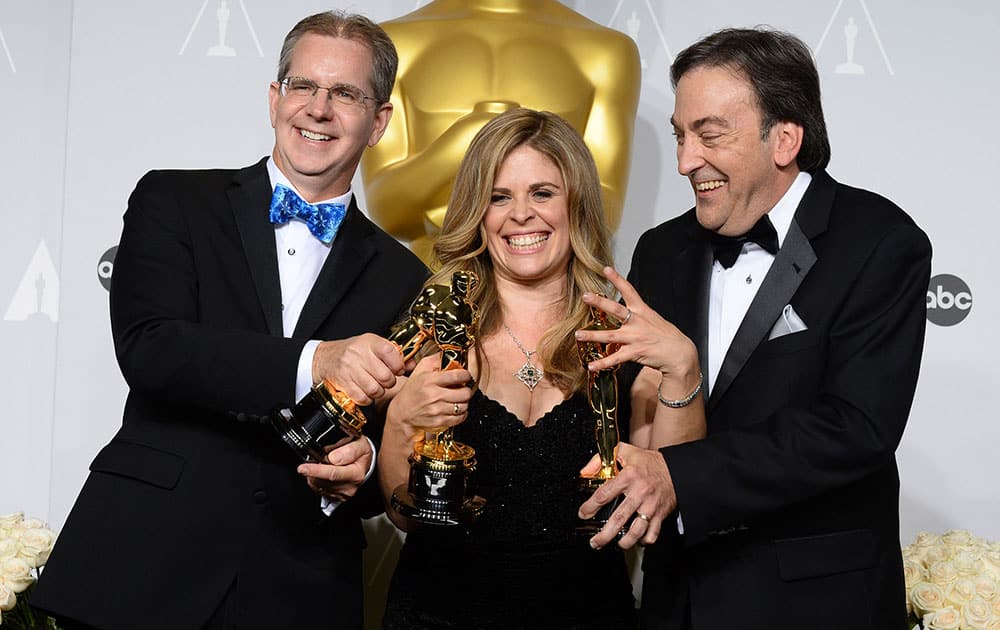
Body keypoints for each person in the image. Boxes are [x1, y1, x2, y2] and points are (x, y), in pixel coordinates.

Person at [31, 11, 427, 630]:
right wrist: (314, 361)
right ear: (275, 100)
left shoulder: (403, 277)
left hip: (299, 585)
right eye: (302, 86)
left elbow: (390, 439)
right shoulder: (173, 201)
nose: (318, 109)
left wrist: (367, 465)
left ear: (379, 122)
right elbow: (151, 349)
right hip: (144, 563)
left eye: (345, 93)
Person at [578, 27, 932, 629]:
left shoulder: (881, 242)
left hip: (813, 604)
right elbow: (627, 404)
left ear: (785, 138)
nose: (687, 161)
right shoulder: (663, 250)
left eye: (709, 135)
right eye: (681, 137)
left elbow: (856, 427)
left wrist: (680, 477)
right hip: (678, 600)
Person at [376, 108, 705, 629]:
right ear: (477, 213)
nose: (521, 215)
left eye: (543, 193)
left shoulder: (620, 338)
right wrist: (398, 423)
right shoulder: (437, 328)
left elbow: (665, 496)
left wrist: (684, 373)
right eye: (499, 196)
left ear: (576, 204)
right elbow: (406, 515)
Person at [360, 0, 641, 262]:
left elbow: (603, 211)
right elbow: (388, 212)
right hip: (432, 292)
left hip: (555, 298)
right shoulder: (394, 43)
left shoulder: (606, 51)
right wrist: (465, 141)